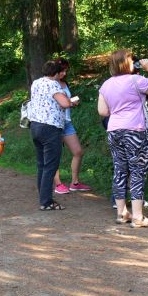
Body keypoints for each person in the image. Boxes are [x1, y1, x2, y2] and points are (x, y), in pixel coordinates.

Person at [98, 50, 148, 228]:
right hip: (135, 130)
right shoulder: (136, 80)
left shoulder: (106, 84)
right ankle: (138, 216)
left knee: (120, 170)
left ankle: (121, 214)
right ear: (128, 64)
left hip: (114, 130)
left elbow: (103, 112)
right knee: (137, 171)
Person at [29, 60, 73, 210]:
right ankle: (46, 202)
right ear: (56, 73)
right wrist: (72, 102)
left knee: (41, 164)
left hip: (35, 125)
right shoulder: (53, 84)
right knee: (50, 165)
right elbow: (64, 103)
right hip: (50, 128)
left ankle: (43, 196)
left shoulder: (36, 82)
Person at [52, 58, 91, 195]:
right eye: (62, 70)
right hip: (54, 123)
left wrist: (73, 102)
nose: (64, 73)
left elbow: (66, 101)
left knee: (78, 151)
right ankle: (58, 184)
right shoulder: (49, 84)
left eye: (65, 71)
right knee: (55, 154)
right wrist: (68, 102)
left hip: (67, 122)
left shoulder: (64, 83)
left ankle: (75, 182)